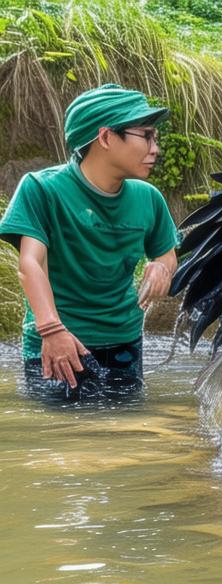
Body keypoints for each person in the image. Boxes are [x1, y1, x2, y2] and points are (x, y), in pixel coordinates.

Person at [0, 84, 179, 401]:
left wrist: (162, 269)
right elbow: (30, 264)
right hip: (57, 343)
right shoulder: (42, 189)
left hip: (124, 343)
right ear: (107, 137)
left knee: (122, 437)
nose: (155, 148)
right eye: (146, 135)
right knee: (59, 440)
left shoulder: (148, 198)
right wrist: (52, 331)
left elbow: (166, 255)